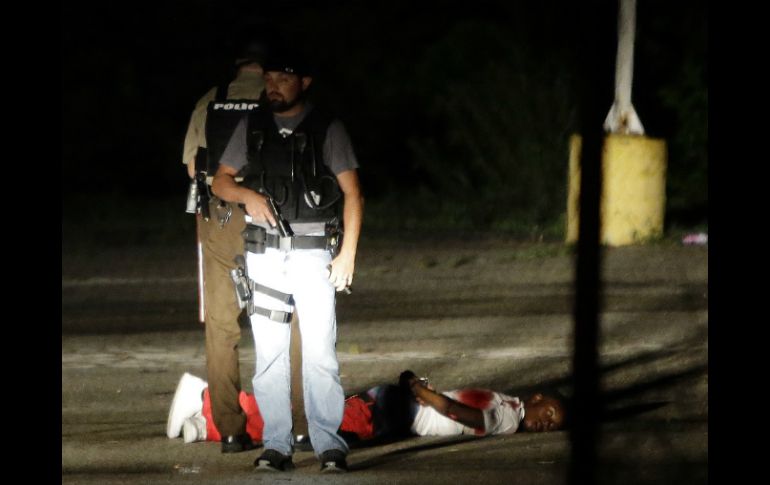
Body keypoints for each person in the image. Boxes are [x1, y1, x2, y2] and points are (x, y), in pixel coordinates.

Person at [211, 48, 364, 473]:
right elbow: (220, 181)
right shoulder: (253, 125)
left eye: (283, 78)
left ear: (305, 82)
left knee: (320, 354)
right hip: (264, 256)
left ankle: (329, 445)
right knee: (269, 355)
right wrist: (247, 196)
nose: (273, 86)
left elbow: (353, 193)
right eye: (269, 78)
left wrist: (348, 254)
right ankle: (276, 446)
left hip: (313, 255)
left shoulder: (326, 127)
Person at [181, 39, 308, 453]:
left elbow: (193, 167)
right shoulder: (282, 95)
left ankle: (231, 429)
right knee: (292, 315)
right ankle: (302, 424)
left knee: (222, 325)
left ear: (237, 62)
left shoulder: (211, 99)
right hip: (276, 211)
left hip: (221, 216)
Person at [166, 370, 567, 448]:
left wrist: (415, 387)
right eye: (550, 414)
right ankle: (207, 399)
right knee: (310, 424)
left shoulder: (509, 403)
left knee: (307, 425)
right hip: (394, 414)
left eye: (553, 426)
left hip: (395, 409)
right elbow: (462, 414)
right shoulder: (509, 418)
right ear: (537, 399)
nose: (546, 424)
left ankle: (207, 425)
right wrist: (419, 391)